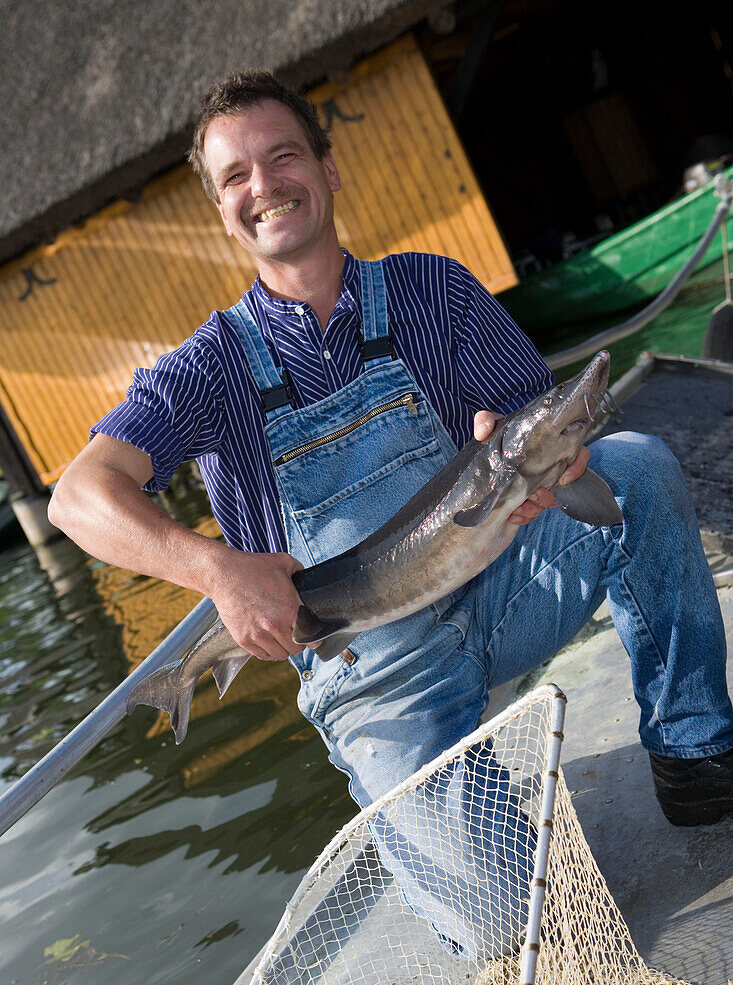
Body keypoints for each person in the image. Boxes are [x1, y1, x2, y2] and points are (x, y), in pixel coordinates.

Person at [49, 71, 733, 867]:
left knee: (637, 465)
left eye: (283, 156)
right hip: (370, 669)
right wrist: (219, 572)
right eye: (237, 175)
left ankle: (695, 755)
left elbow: (535, 419)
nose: (264, 185)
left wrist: (557, 451)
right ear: (222, 210)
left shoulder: (433, 289)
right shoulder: (203, 370)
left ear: (328, 168)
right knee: (506, 923)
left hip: (498, 584)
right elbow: (77, 497)